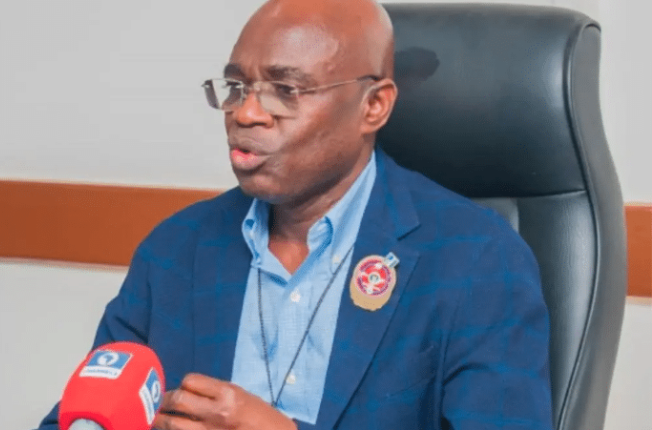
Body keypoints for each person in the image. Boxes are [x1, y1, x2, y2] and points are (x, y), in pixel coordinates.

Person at [35, 0, 553, 429]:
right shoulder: (176, 249)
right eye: (237, 87)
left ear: (373, 106)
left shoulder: (478, 260)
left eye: (286, 91)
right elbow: (82, 414)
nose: (246, 113)